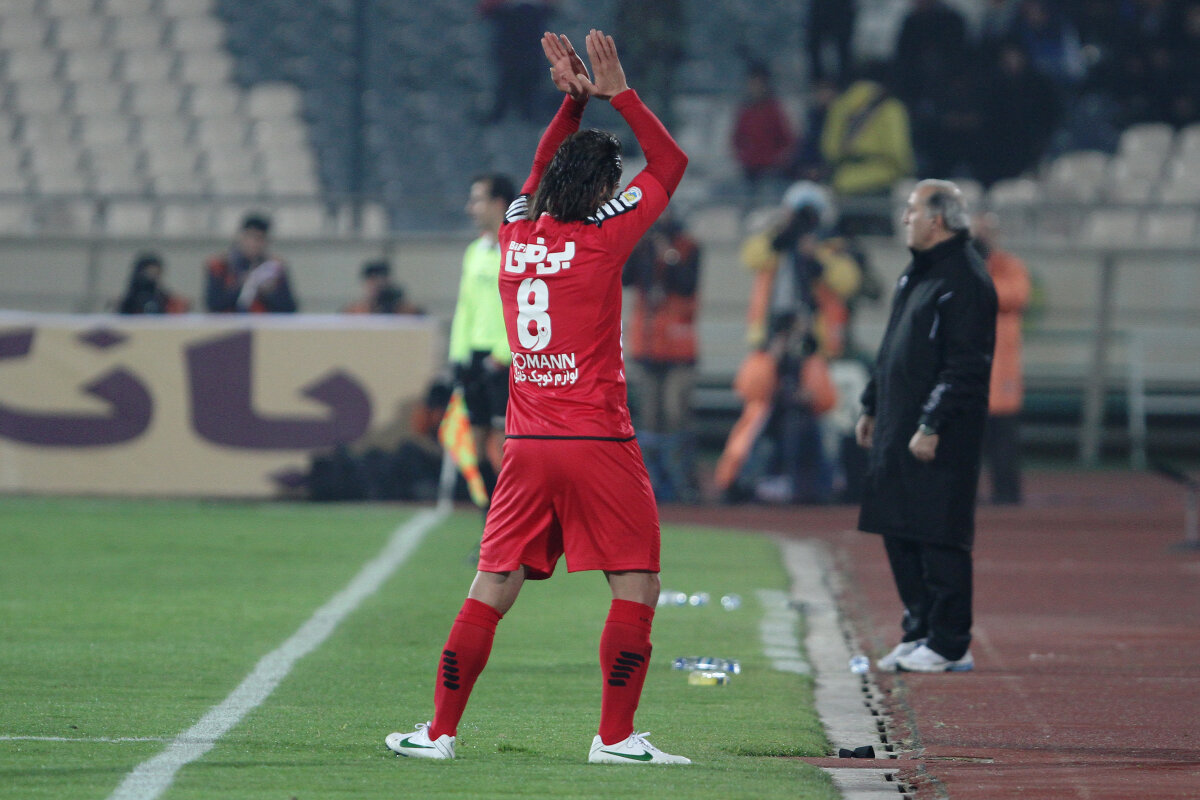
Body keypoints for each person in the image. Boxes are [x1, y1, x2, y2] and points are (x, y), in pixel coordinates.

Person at [386, 29, 691, 765]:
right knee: (636, 583)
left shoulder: (515, 234)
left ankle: (437, 732)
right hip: (598, 440)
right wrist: (621, 96)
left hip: (525, 445)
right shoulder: (604, 238)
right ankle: (614, 738)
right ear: (604, 190)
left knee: (492, 583)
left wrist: (570, 106)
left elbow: (532, 170)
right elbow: (671, 164)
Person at [855, 180, 997, 674]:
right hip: (899, 422)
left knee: (939, 533)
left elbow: (966, 365)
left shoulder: (966, 280)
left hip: (940, 431)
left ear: (936, 220)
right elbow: (892, 346)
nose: (904, 219)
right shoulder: (919, 273)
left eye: (912, 211)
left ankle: (950, 643)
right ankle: (919, 631)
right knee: (899, 528)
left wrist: (933, 422)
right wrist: (872, 404)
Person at [622, 211, 701, 503]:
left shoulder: (688, 247)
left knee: (675, 413)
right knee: (649, 417)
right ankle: (651, 480)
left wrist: (667, 255)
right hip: (647, 344)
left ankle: (683, 481)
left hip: (678, 346)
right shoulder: (643, 245)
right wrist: (639, 245)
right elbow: (627, 277)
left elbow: (686, 283)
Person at [449, 173, 517, 498]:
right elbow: (465, 307)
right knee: (474, 443)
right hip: (476, 356)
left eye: (477, 200)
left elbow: (524, 307)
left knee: (506, 445)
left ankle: (512, 518)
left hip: (507, 360)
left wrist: (503, 354)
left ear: (498, 203)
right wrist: (458, 355)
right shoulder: (475, 251)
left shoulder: (518, 249)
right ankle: (489, 518)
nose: (470, 207)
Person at [974, 212, 1030, 505]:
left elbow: (1013, 296)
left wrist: (982, 269)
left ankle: (1007, 494)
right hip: (969, 370)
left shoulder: (1009, 266)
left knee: (1004, 439)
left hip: (1002, 369)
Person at [731, 62, 796, 213]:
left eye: (759, 83)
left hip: (771, 171)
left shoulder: (774, 110)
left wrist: (778, 159)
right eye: (753, 83)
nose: (756, 87)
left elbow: (787, 139)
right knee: (749, 208)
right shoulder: (745, 111)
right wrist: (743, 157)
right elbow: (736, 139)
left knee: (769, 209)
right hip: (749, 171)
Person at [204, 213, 298, 313]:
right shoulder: (219, 265)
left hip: (264, 321)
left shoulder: (275, 268)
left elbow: (290, 308)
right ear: (240, 237)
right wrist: (241, 285)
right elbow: (213, 305)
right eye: (250, 237)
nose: (253, 244)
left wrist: (269, 292)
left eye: (259, 239)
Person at [117, 252, 191, 314]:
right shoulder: (128, 302)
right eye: (148, 273)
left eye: (156, 273)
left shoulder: (166, 300)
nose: (152, 277)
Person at [342, 260, 421, 315]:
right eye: (372, 281)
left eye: (380, 281)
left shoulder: (406, 311)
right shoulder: (354, 312)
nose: (376, 286)